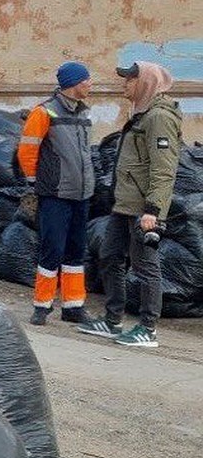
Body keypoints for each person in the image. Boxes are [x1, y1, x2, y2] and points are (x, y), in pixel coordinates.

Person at [79, 62, 182, 348]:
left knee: (145, 267)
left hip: (142, 208)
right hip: (124, 204)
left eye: (129, 80)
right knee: (110, 255)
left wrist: (153, 210)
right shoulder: (141, 114)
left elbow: (164, 169)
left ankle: (148, 329)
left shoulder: (159, 117)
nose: (124, 85)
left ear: (146, 82)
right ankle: (113, 320)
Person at [17, 62, 95, 326]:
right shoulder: (44, 112)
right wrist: (36, 182)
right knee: (52, 249)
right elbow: (28, 150)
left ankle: (73, 306)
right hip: (55, 194)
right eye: (86, 80)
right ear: (74, 83)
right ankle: (42, 305)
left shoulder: (85, 114)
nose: (90, 84)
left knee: (75, 252)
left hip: (81, 193)